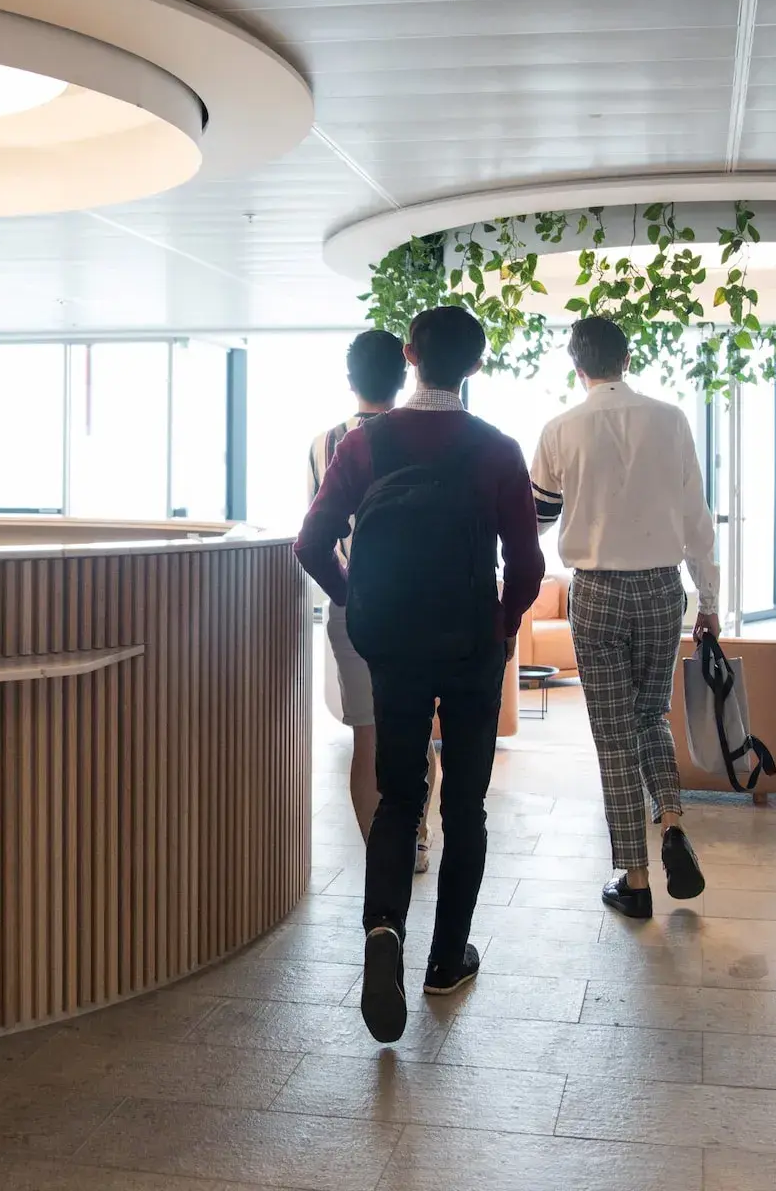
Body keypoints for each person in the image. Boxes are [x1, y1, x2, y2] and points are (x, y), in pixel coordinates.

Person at [296, 306, 544, 1042]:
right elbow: (527, 566)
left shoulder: (364, 445)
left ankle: (383, 932)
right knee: (465, 806)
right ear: (474, 366)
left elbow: (311, 543)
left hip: (393, 645)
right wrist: (500, 625)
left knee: (399, 796)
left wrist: (355, 599)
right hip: (471, 647)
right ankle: (445, 960)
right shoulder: (497, 450)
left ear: (409, 356)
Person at [529, 316, 714, 921]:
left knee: (613, 732)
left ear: (576, 365)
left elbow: (537, 517)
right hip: (663, 588)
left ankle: (634, 878)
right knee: (649, 714)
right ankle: (673, 821)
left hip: (598, 591)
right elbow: (696, 520)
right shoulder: (672, 420)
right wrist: (708, 601)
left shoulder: (560, 428)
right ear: (627, 357)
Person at [307, 330, 438, 873]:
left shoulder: (327, 442)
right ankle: (419, 838)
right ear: (406, 373)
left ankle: (383, 855)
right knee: (417, 727)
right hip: (422, 603)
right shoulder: (422, 437)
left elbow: (316, 530)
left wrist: (345, 592)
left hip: (356, 601)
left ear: (350, 381)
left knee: (368, 735)